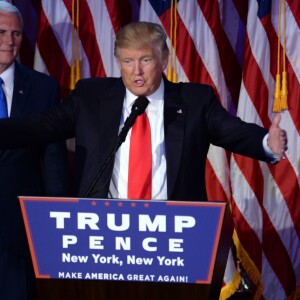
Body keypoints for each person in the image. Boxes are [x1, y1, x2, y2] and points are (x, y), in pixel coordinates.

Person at [0, 21, 287, 203]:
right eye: (127, 61)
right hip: (104, 228)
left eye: (145, 60)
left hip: (170, 230)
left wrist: (266, 142)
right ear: (118, 61)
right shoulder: (91, 97)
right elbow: (39, 127)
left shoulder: (195, 101)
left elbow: (231, 132)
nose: (136, 71)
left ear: (163, 60)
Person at [0, 3, 70, 300]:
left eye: (16, 33)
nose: (9, 41)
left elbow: (54, 164)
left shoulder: (43, 89)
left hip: (19, 233)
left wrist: (58, 225)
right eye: (1, 32)